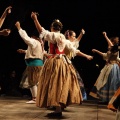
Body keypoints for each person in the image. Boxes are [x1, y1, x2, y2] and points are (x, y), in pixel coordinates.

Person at [31, 12, 93, 117]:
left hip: (54, 62)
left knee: (54, 84)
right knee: (59, 84)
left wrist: (35, 19)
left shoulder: (53, 35)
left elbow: (41, 31)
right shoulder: (63, 38)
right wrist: (86, 56)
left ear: (52, 27)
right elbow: (73, 49)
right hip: (63, 62)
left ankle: (58, 110)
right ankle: (58, 108)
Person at [15, 21, 44, 104]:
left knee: (32, 81)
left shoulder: (34, 41)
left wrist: (19, 28)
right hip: (38, 64)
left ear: (33, 37)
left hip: (34, 64)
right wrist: (24, 51)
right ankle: (37, 98)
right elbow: (35, 51)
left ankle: (35, 98)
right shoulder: (40, 43)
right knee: (36, 81)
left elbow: (26, 38)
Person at [89, 32, 120, 103]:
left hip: (112, 68)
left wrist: (105, 36)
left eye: (110, 42)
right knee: (104, 82)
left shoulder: (116, 49)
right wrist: (96, 51)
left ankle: (111, 99)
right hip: (108, 67)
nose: (108, 44)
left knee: (111, 83)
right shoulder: (111, 50)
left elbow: (112, 47)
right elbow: (104, 55)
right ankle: (105, 99)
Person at [64, 29, 88, 100]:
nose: (75, 38)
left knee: (74, 80)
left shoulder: (70, 43)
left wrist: (81, 34)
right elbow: (75, 51)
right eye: (74, 36)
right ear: (69, 36)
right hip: (64, 62)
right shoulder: (66, 42)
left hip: (68, 63)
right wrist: (86, 56)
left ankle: (69, 97)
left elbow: (76, 42)